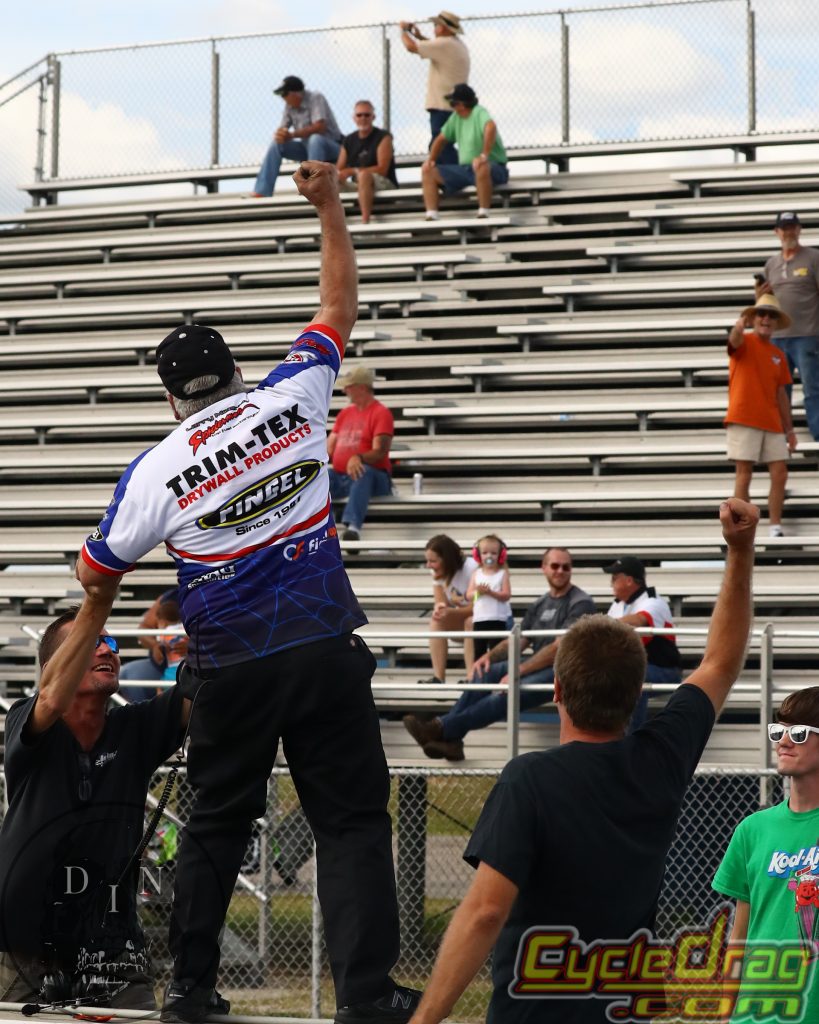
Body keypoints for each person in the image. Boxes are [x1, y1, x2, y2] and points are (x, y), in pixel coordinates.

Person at [76, 162, 418, 1024]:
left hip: (228, 666)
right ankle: (367, 997)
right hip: (321, 646)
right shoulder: (293, 396)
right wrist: (332, 204)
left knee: (216, 826)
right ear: (233, 371)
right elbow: (336, 307)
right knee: (349, 822)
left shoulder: (155, 468)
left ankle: (189, 991)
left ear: (168, 397)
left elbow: (97, 567)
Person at [407, 498, 760, 1024]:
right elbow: (721, 662)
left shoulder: (529, 779)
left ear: (556, 692)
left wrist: (424, 1018)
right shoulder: (659, 760)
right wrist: (741, 551)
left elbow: (484, 912)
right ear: (636, 691)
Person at [0, 605, 189, 1010]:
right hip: (22, 952)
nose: (107, 650)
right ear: (55, 664)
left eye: (111, 641)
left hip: (114, 954)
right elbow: (50, 697)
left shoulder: (135, 727)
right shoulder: (23, 718)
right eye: (90, 641)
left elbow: (199, 693)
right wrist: (99, 595)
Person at [403, 547, 594, 761]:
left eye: (565, 567)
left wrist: (518, 670)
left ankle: (441, 728)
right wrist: (488, 657)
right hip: (537, 663)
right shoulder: (542, 602)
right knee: (485, 671)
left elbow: (560, 648)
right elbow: (520, 640)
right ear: (544, 568)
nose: (560, 571)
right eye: (555, 566)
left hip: (565, 671)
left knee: (506, 692)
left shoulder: (580, 601)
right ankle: (451, 739)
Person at [712, 686, 819, 1024]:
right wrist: (728, 1012)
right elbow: (739, 935)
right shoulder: (752, 830)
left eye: (799, 733)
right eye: (779, 730)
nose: (783, 741)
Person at [726, 292, 797, 537]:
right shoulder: (744, 341)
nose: (766, 319)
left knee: (780, 473)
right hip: (744, 416)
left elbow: (782, 396)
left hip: (772, 421)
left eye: (771, 315)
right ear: (753, 319)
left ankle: (774, 526)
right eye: (762, 314)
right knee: (744, 474)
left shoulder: (778, 354)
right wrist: (738, 327)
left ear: (776, 322)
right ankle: (742, 527)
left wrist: (790, 429)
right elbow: (733, 342)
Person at [756, 211, 819, 441]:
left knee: (813, 388)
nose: (788, 232)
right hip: (777, 336)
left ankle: (818, 435)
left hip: (807, 334)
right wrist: (759, 296)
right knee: (779, 390)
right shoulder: (771, 264)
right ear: (776, 232)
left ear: (800, 229)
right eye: (784, 228)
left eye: (792, 227)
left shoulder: (814, 258)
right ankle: (779, 436)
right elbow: (765, 303)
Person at [603, 554, 682, 732]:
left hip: (665, 670)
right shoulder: (617, 605)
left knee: (632, 675)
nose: (611, 583)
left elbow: (639, 620)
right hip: (636, 668)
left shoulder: (654, 601)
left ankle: (631, 739)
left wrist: (601, 625)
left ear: (629, 581)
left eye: (615, 578)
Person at [327, 364, 395, 543]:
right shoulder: (345, 413)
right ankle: (323, 525)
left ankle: (353, 527)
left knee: (363, 471)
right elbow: (329, 447)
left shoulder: (381, 413)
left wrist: (359, 457)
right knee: (320, 476)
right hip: (343, 475)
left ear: (362, 387)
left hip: (374, 477)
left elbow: (380, 451)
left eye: (349, 386)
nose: (345, 390)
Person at [421, 84, 508, 220]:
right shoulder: (456, 118)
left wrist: (484, 155)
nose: (451, 106)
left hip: (493, 167)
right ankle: (431, 215)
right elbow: (440, 139)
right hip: (466, 169)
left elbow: (490, 126)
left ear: (461, 104)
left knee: (481, 166)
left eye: (453, 103)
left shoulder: (479, 112)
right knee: (428, 171)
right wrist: (431, 159)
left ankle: (483, 212)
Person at [252, 76, 342, 197]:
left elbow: (320, 127)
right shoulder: (289, 106)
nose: (283, 98)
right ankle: (262, 191)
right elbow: (283, 128)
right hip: (308, 150)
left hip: (332, 147)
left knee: (315, 139)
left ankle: (311, 189)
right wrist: (280, 135)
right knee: (277, 144)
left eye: (284, 94)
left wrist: (292, 134)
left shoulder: (315, 98)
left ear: (296, 94)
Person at [398, 11, 469, 164]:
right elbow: (433, 47)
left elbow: (411, 47)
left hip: (442, 107)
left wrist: (403, 30)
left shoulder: (445, 44)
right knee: (441, 146)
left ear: (443, 27)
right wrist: (419, 37)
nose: (434, 28)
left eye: (436, 25)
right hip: (450, 106)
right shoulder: (455, 44)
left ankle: (458, 176)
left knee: (440, 147)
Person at [420, 534, 478, 686]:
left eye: (433, 561)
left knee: (470, 621)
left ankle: (471, 678)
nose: (428, 565)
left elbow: (479, 607)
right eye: (427, 561)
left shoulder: (472, 568)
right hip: (462, 620)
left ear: (447, 560)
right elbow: (440, 601)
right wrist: (440, 608)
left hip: (483, 622)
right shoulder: (436, 571)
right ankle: (438, 678)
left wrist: (452, 612)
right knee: (436, 620)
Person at [337, 100, 398, 224]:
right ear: (354, 118)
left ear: (373, 117)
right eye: (359, 115)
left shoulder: (383, 137)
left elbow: (382, 169)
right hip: (360, 185)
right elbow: (339, 169)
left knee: (363, 176)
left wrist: (354, 171)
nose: (363, 118)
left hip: (384, 184)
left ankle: (365, 222)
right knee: (329, 180)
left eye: (366, 115)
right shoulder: (349, 140)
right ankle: (330, 225)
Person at [118, 587, 177, 701]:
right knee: (128, 674)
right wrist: (155, 645)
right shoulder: (169, 597)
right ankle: (141, 717)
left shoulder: (208, 596)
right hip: (162, 665)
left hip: (197, 665)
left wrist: (193, 646)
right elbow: (144, 630)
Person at [466, 534, 512, 660]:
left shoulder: (502, 574)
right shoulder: (476, 574)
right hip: (480, 620)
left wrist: (491, 593)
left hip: (497, 619)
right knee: (479, 653)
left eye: (493, 553)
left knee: (496, 654)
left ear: (501, 555)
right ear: (478, 555)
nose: (489, 556)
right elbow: (470, 597)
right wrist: (479, 593)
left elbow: (506, 595)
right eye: (485, 553)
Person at [154, 598, 188, 682]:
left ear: (162, 622)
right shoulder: (185, 628)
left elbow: (161, 646)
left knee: (161, 687)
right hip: (188, 665)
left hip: (173, 668)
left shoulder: (164, 633)